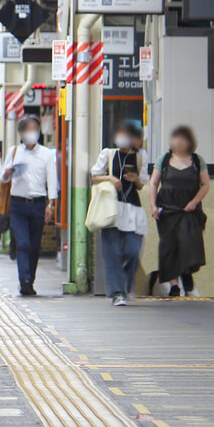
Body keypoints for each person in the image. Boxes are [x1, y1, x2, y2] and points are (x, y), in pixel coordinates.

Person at [147, 125, 210, 297]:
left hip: (189, 210)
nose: (178, 142)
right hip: (167, 209)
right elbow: (153, 183)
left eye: (182, 139)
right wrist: (153, 205)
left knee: (188, 244)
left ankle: (187, 274)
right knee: (169, 247)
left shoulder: (197, 161)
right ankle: (174, 284)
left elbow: (205, 184)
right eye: (176, 138)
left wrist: (194, 202)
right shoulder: (164, 159)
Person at [92, 120, 149, 306]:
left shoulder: (141, 157)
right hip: (111, 209)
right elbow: (94, 176)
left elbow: (143, 184)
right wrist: (110, 178)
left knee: (133, 250)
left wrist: (135, 180)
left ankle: (124, 285)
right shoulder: (108, 154)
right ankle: (117, 292)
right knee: (112, 252)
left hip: (133, 209)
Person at [1, 116, 59, 296]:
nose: (31, 132)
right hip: (18, 204)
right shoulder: (14, 151)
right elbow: (3, 178)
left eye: (34, 128)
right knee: (23, 243)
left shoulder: (47, 154)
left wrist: (51, 205)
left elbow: (52, 179)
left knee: (34, 246)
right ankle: (24, 281)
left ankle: (30, 280)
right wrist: (8, 172)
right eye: (27, 129)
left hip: (38, 204)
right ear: (21, 133)